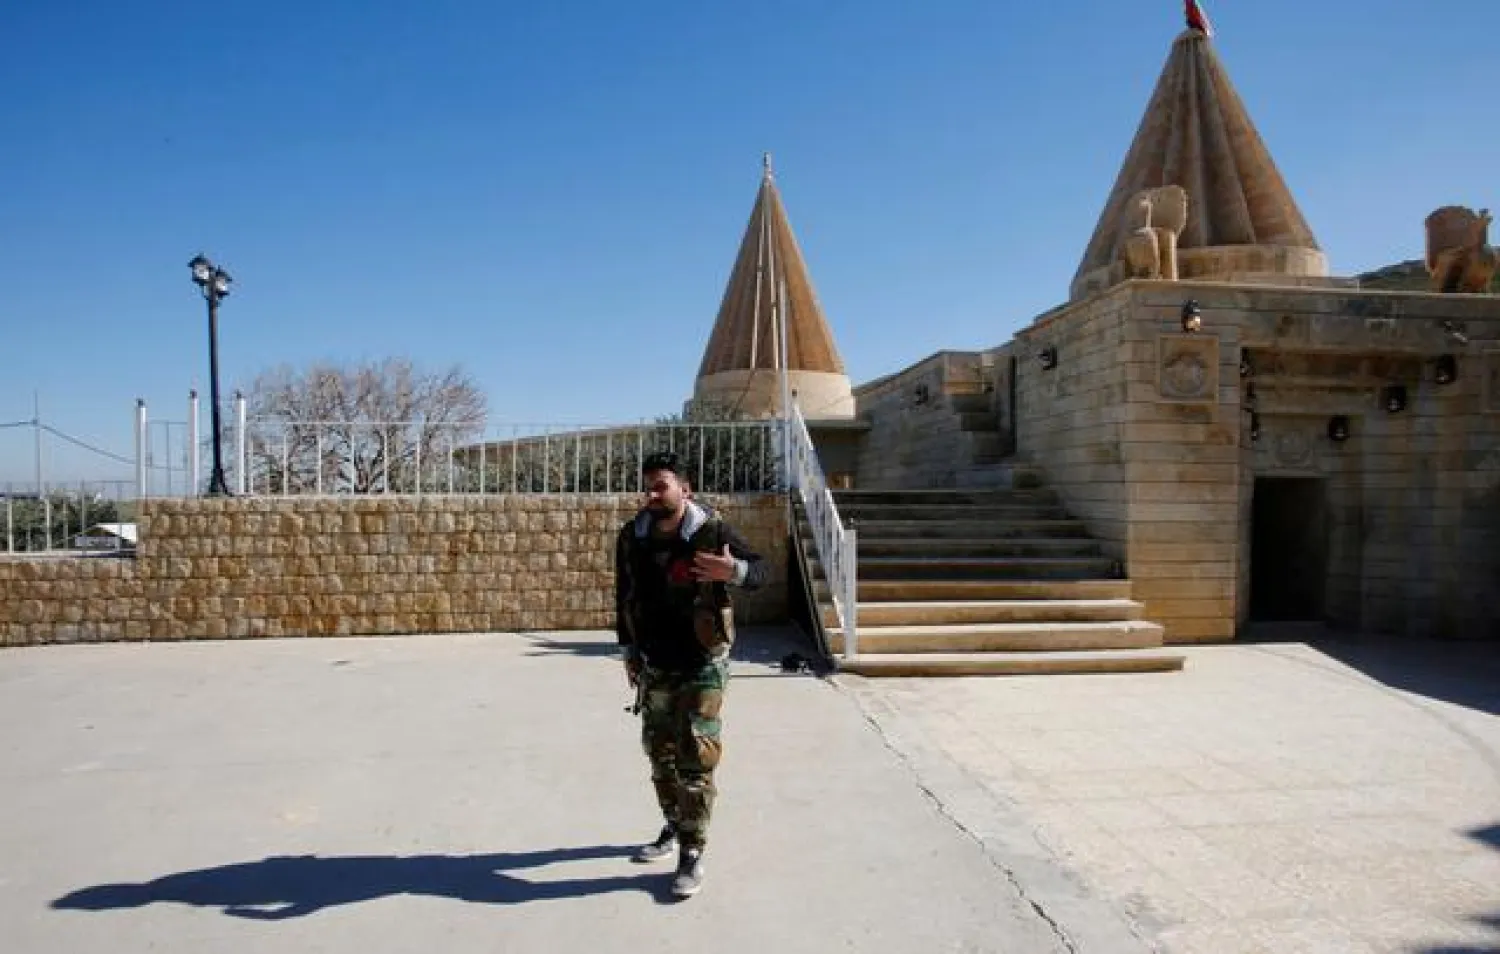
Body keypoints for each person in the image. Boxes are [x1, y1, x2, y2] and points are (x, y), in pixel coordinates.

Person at [613, 450, 768, 898]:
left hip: (703, 663)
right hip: (655, 662)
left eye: (660, 485)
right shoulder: (633, 536)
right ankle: (674, 824)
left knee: (695, 756)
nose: (651, 494)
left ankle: (692, 851)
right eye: (647, 486)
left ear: (685, 489)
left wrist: (732, 570)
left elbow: (760, 569)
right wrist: (628, 649)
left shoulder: (712, 530)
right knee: (658, 753)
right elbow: (623, 594)